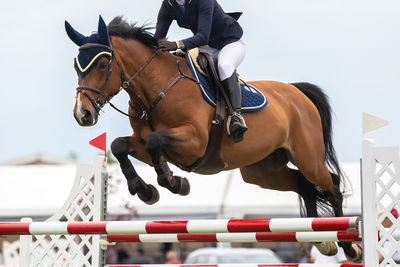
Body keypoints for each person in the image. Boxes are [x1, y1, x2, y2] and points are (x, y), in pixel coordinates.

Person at [154, 0, 248, 142]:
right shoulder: (169, 4)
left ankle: (236, 116)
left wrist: (176, 44)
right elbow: (158, 38)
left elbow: (202, 35)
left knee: (225, 66)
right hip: (206, 46)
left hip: (230, 42)